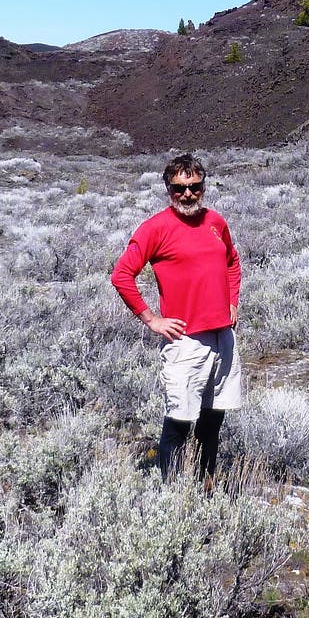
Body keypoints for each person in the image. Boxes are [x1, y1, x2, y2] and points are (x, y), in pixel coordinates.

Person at [110, 152, 243, 484]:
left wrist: (233, 303)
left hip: (222, 336)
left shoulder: (216, 222)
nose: (187, 194)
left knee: (213, 419)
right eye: (179, 188)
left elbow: (232, 262)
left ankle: (206, 482)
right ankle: (171, 492)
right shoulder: (155, 228)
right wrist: (152, 319)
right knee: (179, 420)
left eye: (195, 187)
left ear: (203, 186)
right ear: (168, 188)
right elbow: (121, 275)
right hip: (185, 341)